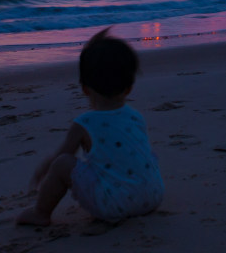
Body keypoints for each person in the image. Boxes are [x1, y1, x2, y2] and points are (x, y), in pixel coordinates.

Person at [16, 28, 164, 226]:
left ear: (85, 88)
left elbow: (61, 157)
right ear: (129, 87)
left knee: (62, 163)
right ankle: (133, 192)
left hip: (114, 206)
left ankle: (40, 213)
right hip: (152, 198)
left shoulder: (84, 123)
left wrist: (44, 168)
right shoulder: (136, 117)